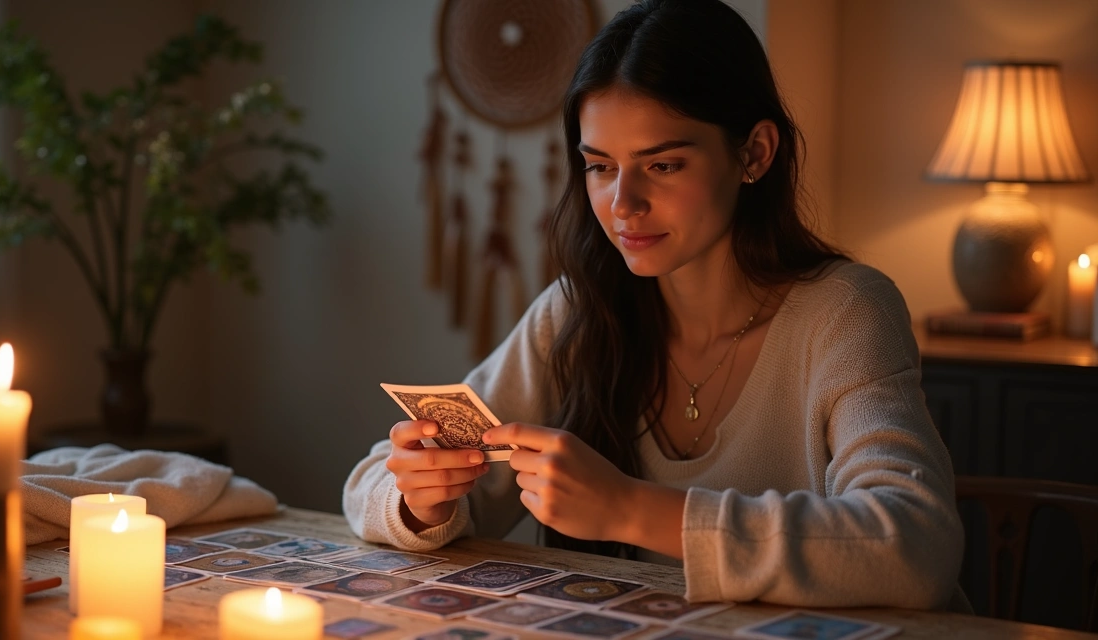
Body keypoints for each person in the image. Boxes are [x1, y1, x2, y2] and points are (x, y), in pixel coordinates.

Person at [345, 0, 967, 611]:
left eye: (663, 164)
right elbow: (370, 482)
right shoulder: (579, 310)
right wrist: (420, 499)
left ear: (755, 153)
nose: (623, 204)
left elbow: (915, 547)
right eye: (600, 167)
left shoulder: (846, 311)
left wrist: (627, 508)